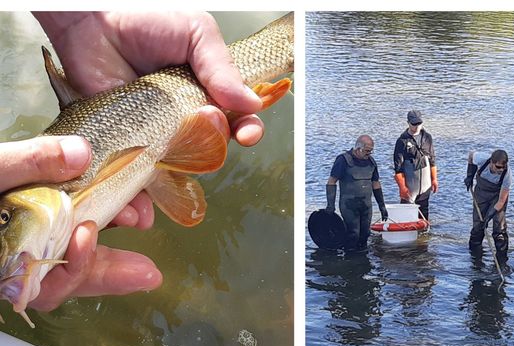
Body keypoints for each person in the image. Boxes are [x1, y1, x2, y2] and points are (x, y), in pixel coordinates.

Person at [16, 12, 268, 311]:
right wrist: (82, 23)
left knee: (266, 63)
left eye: (3, 219)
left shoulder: (55, 189)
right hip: (162, 125)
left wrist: (88, 20)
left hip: (176, 93)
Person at [325, 135, 388, 251]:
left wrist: (382, 206)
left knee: (365, 234)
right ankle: (349, 260)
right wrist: (330, 205)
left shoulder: (371, 162)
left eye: (371, 151)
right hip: (349, 205)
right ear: (358, 148)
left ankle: (363, 262)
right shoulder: (343, 160)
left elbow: (376, 184)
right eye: (367, 151)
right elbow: (331, 181)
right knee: (353, 234)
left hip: (366, 205)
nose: (369, 154)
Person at [464, 149, 511, 262]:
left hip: (497, 196)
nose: (501, 170)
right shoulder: (482, 159)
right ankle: (475, 255)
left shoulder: (507, 175)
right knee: (478, 225)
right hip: (481, 193)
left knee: (499, 228)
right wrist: (470, 175)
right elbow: (471, 156)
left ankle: (501, 258)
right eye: (498, 167)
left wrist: (489, 216)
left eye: (503, 167)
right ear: (491, 162)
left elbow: (501, 202)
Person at [393, 110, 438, 221]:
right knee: (406, 214)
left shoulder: (427, 137)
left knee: (424, 213)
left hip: (425, 184)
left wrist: (434, 179)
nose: (417, 126)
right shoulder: (402, 141)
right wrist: (402, 188)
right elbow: (398, 169)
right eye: (414, 124)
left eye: (419, 123)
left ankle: (424, 236)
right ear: (408, 123)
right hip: (410, 185)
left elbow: (432, 160)